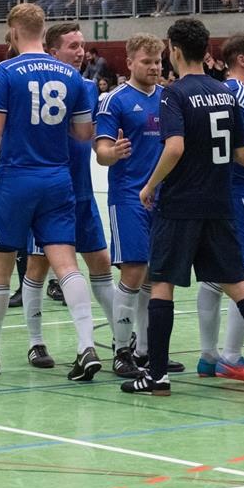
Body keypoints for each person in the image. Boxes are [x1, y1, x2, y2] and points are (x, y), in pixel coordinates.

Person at [122, 17, 244, 398]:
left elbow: (175, 147)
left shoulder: (173, 94)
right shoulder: (225, 93)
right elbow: (239, 151)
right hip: (220, 204)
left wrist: (150, 185)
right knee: (238, 284)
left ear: (175, 51)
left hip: (180, 204)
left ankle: (158, 376)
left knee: (162, 283)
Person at [0, 3, 102, 381]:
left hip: (16, 177)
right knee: (66, 265)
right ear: (43, 30)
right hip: (58, 179)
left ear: (14, 30)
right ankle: (86, 346)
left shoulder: (5, 71)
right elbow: (84, 134)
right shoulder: (71, 76)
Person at [19, 24, 118, 369]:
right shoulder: (34, 87)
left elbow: (95, 140)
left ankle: (122, 344)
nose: (80, 52)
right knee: (37, 265)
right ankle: (35, 342)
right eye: (72, 46)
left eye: (82, 46)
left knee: (101, 263)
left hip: (82, 192)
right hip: (47, 192)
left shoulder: (91, 89)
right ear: (52, 52)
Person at [193, 33, 244, 385]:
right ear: (242, 60)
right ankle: (230, 356)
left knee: (214, 275)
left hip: (214, 192)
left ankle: (208, 355)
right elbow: (234, 147)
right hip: (238, 194)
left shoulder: (216, 91)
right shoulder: (239, 95)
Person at [94, 34, 175, 378]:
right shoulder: (114, 101)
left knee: (155, 276)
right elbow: (101, 153)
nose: (155, 68)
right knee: (133, 271)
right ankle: (121, 349)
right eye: (147, 62)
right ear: (129, 63)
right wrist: (113, 153)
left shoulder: (169, 98)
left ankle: (146, 350)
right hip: (128, 196)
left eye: (158, 62)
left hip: (164, 199)